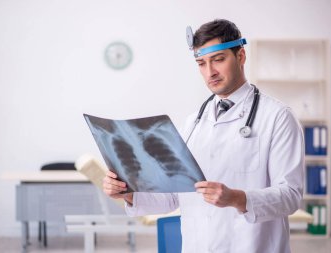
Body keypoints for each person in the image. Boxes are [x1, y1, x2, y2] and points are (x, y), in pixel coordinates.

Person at [103, 19, 304, 253]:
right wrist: (129, 194)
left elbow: (290, 195)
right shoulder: (193, 123)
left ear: (240, 56)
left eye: (218, 59)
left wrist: (237, 198)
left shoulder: (277, 117)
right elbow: (174, 197)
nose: (210, 72)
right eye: (201, 63)